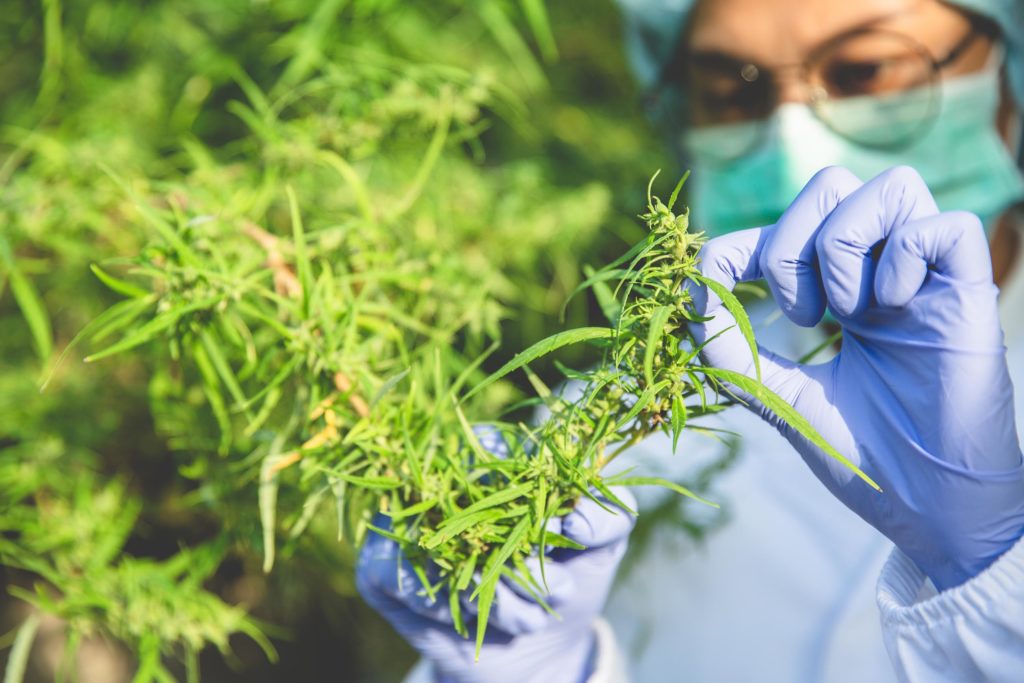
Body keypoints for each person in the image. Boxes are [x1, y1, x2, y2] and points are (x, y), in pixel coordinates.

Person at [356, 0, 1024, 681]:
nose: (792, 137)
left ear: (1009, 72)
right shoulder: (613, 422)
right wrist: (529, 667)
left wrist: (997, 561)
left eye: (865, 70)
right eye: (731, 91)